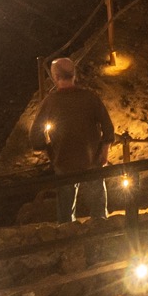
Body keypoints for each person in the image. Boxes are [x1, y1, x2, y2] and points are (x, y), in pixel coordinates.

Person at [36, 58, 116, 221]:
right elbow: (108, 128)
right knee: (99, 212)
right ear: (74, 74)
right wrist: (104, 151)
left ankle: (68, 241)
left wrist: (50, 152)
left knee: (65, 215)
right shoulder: (89, 98)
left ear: (55, 76)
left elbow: (35, 135)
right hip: (92, 161)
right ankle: (102, 238)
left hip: (64, 163)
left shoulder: (50, 102)